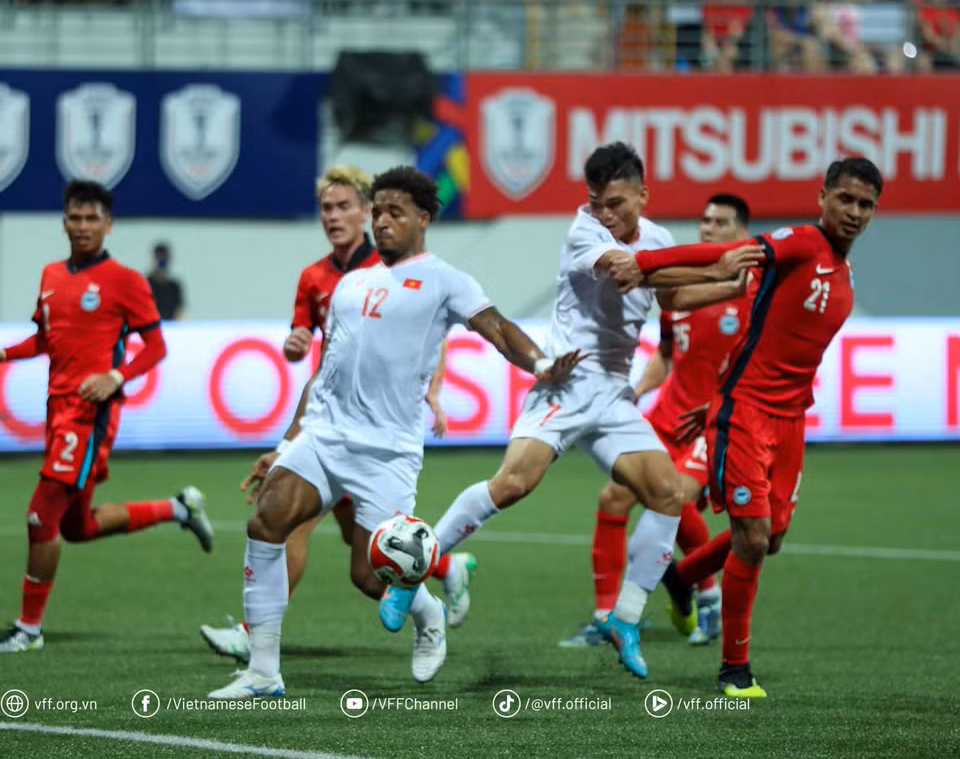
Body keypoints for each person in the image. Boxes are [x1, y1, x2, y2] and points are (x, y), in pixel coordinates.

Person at [382, 143, 764, 680]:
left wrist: (729, 284)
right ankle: (410, 577)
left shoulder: (658, 238)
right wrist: (718, 263)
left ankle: (625, 618)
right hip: (564, 381)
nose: (604, 214)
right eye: (596, 202)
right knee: (513, 484)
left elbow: (670, 300)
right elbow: (630, 273)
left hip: (611, 393)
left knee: (670, 494)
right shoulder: (585, 232)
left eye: (616, 204)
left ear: (642, 196)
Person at [206, 167, 585, 699]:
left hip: (386, 452)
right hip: (326, 434)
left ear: (423, 218)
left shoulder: (446, 280)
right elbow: (325, 368)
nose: (382, 222)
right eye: (378, 212)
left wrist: (541, 362)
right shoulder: (349, 283)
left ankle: (428, 617)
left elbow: (497, 327)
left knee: (369, 575)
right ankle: (264, 672)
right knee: (267, 520)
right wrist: (291, 439)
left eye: (395, 213)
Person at [612, 157, 883, 697]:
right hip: (747, 414)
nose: (853, 212)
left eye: (865, 204)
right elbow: (722, 255)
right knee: (752, 539)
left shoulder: (844, 272)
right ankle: (735, 669)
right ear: (822, 197)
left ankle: (679, 575)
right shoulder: (802, 243)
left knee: (772, 538)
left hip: (790, 421)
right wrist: (644, 262)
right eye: (845, 199)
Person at [199, 166, 472, 664]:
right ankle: (257, 643)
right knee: (289, 524)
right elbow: (312, 355)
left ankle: (441, 575)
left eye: (345, 206)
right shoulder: (316, 277)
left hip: (380, 436)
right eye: (327, 208)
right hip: (332, 427)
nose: (334, 216)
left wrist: (433, 392)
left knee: (368, 571)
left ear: (368, 212)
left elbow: (433, 333)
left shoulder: (392, 263)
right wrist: (292, 347)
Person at [0, 180, 213, 653]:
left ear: (109, 224)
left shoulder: (126, 281)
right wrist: (5, 353)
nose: (83, 227)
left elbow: (157, 347)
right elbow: (47, 338)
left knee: (41, 515)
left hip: (89, 415)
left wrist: (117, 377)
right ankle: (178, 508)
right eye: (75, 218)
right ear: (64, 222)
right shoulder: (50, 275)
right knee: (76, 527)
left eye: (92, 219)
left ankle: (28, 629)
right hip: (57, 409)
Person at [560, 193, 752, 651]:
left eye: (720, 222)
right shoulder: (681, 291)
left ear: (741, 233)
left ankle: (707, 598)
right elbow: (667, 353)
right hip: (668, 416)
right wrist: (642, 389)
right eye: (705, 220)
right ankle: (605, 615)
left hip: (713, 421)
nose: (708, 229)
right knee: (615, 496)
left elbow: (759, 361)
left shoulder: (749, 291)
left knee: (675, 497)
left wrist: (729, 404)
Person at [146, 243, 185, 321]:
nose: (162, 261)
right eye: (159, 257)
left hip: (171, 329)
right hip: (151, 327)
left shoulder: (174, 287)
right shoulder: (145, 285)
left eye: (164, 257)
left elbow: (180, 312)